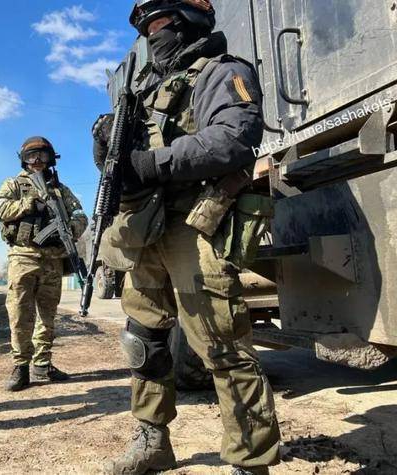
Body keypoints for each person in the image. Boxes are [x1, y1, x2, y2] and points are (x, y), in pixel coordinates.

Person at [92, 1, 281, 474]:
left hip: (195, 223)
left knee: (222, 345)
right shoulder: (143, 92)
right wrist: (109, 146)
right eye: (146, 29)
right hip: (145, 228)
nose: (152, 35)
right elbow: (125, 165)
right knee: (143, 341)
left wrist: (151, 163)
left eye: (160, 24)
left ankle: (250, 461)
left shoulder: (221, 71)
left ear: (187, 22)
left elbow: (235, 137)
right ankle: (152, 441)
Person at [0, 137, 87, 391]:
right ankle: (21, 366)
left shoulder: (60, 190)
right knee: (20, 314)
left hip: (53, 259)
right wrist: (29, 203)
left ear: (50, 159)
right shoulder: (14, 184)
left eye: (42, 156)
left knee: (47, 316)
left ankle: (42, 364)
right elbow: (1, 210)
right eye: (31, 156)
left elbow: (80, 214)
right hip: (23, 256)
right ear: (23, 160)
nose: (36, 160)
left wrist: (71, 228)